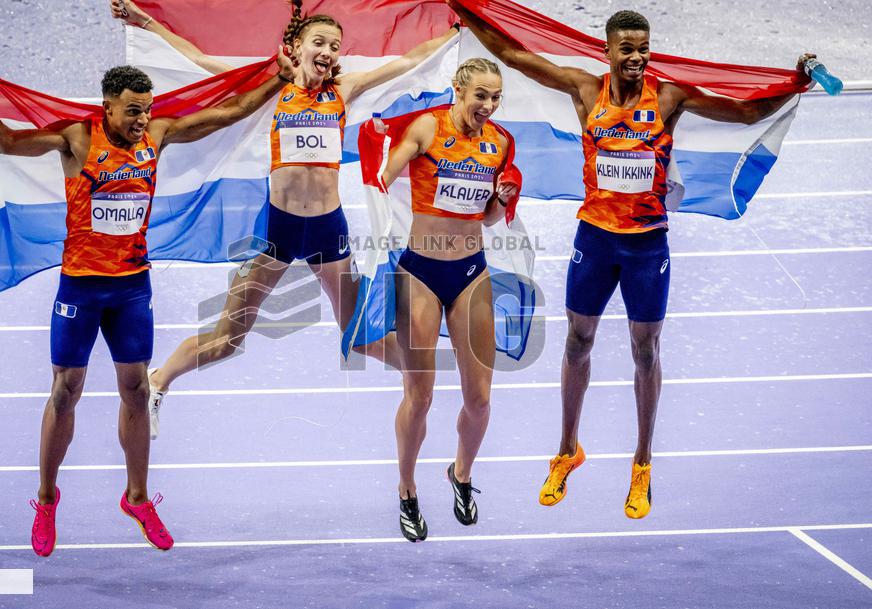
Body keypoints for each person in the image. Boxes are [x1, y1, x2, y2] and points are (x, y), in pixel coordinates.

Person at [451, 2, 813, 518]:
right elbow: (512, 52)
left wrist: (793, 82)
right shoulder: (585, 89)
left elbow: (748, 112)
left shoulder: (668, 96)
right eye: (628, 50)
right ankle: (566, 450)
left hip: (646, 246)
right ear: (608, 50)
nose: (638, 58)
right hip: (595, 240)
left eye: (644, 49)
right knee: (578, 343)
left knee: (646, 351)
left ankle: (642, 464)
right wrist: (463, 10)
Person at [0, 54, 296, 555]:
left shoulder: (157, 136)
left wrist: (278, 76)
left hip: (131, 289)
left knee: (136, 390)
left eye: (145, 109)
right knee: (66, 389)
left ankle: (138, 497)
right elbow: (7, 143)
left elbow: (228, 112)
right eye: (131, 111)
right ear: (107, 107)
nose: (141, 119)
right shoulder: (78, 139)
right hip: (80, 288)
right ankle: (45, 499)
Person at [137, 0, 461, 441]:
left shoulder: (344, 90)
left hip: (329, 230)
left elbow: (407, 61)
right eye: (320, 42)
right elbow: (200, 60)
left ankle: (421, 372)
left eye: (335, 45)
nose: (328, 51)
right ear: (298, 47)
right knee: (229, 337)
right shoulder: (276, 86)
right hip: (279, 231)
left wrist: (455, 32)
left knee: (357, 335)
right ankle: (157, 382)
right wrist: (149, 23)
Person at [377, 58, 518, 541]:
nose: (488, 105)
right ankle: (407, 490)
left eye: (496, 97)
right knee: (420, 397)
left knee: (479, 399)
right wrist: (389, 160)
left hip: (471, 273)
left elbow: (491, 219)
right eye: (480, 94)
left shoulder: (499, 142)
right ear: (458, 89)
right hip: (420, 271)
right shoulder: (426, 126)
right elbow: (384, 174)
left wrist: (501, 198)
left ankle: (460, 474)